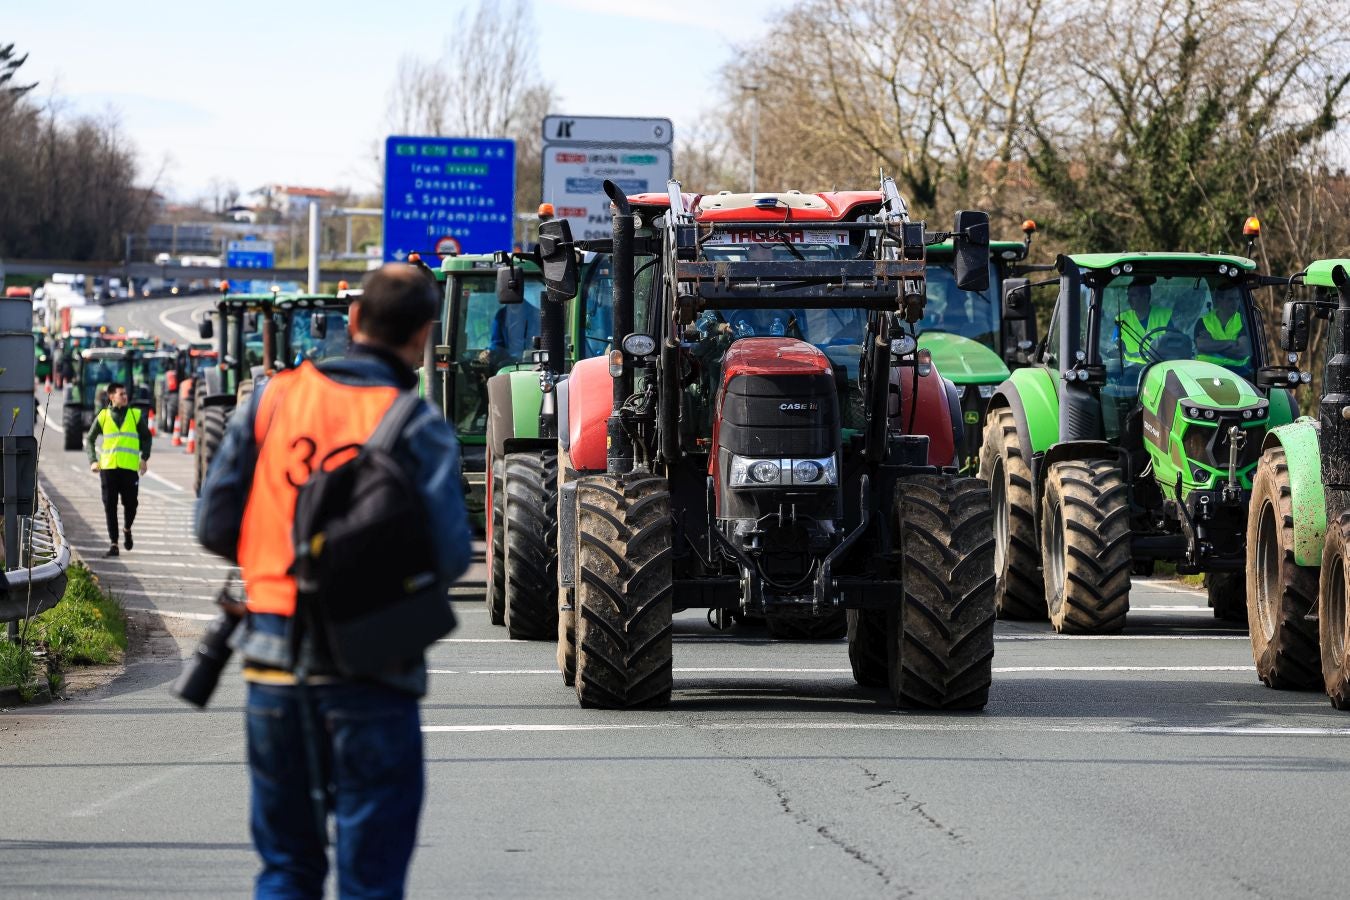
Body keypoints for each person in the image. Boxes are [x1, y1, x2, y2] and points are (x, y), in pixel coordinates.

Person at [196, 263, 472, 899]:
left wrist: (285, 553)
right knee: (369, 879)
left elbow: (214, 525)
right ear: (425, 336)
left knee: (287, 870)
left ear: (352, 323)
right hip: (372, 669)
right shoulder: (416, 423)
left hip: (271, 664)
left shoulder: (272, 399)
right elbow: (453, 556)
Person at [84, 382, 149, 557]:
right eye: (121, 394)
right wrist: (92, 460)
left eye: (125, 394)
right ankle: (114, 543)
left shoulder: (135, 415)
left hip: (128, 469)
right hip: (108, 469)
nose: (125, 397)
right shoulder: (103, 416)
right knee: (109, 506)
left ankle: (127, 528)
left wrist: (144, 458)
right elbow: (89, 439)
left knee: (131, 504)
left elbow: (146, 437)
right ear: (111, 396)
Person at [1114, 278, 1172, 366]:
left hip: (1161, 366)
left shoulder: (1165, 316)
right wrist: (1117, 346)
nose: (1128, 300)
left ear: (1146, 296)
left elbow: (1174, 344)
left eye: (1133, 295)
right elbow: (1114, 345)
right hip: (1131, 369)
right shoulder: (1121, 319)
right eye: (1128, 295)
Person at [1195, 287, 1250, 369]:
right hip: (1208, 369)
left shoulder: (1243, 320)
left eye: (1237, 299)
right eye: (1230, 299)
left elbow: (1242, 352)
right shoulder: (1203, 321)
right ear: (1219, 300)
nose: (1235, 303)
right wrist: (1230, 343)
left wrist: (1213, 346)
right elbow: (1202, 346)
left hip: (1238, 371)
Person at [481, 296, 541, 371]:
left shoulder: (536, 315)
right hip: (508, 364)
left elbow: (538, 344)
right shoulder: (501, 315)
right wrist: (489, 351)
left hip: (531, 364)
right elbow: (497, 342)